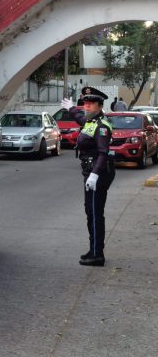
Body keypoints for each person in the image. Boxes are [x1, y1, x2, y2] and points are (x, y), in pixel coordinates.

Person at [61, 87, 115, 267]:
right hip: (91, 171)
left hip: (97, 173)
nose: (86, 107)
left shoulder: (101, 126)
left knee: (95, 213)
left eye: (90, 104)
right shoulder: (91, 121)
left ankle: (97, 254)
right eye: (85, 103)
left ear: (100, 106)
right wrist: (71, 108)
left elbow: (103, 152)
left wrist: (94, 175)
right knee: (90, 212)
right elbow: (81, 119)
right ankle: (93, 249)